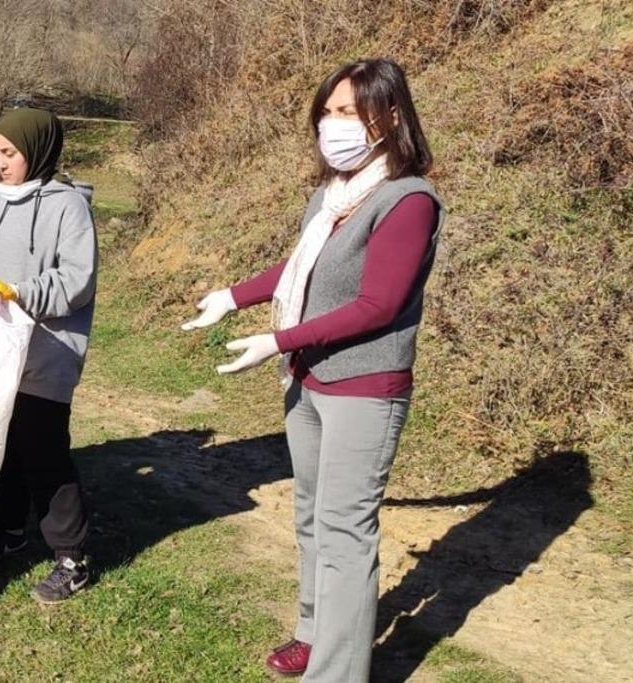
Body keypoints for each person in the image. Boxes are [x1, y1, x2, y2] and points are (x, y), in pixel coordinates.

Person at [181, 58, 444, 681]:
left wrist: (279, 339)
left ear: (391, 116)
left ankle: (337, 671)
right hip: (309, 379)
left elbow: (377, 304)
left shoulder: (408, 200)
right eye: (327, 112)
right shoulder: (329, 197)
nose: (332, 124)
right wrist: (233, 295)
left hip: (364, 387)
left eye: (347, 111)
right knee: (310, 514)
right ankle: (312, 630)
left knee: (346, 533)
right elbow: (303, 265)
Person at [0, 107, 98, 604]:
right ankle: (10, 532)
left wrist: (20, 291)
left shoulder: (69, 207)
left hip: (48, 351)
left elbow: (77, 279)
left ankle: (73, 559)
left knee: (43, 450)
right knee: (2, 442)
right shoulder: (1, 198)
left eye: (9, 154)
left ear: (38, 150)